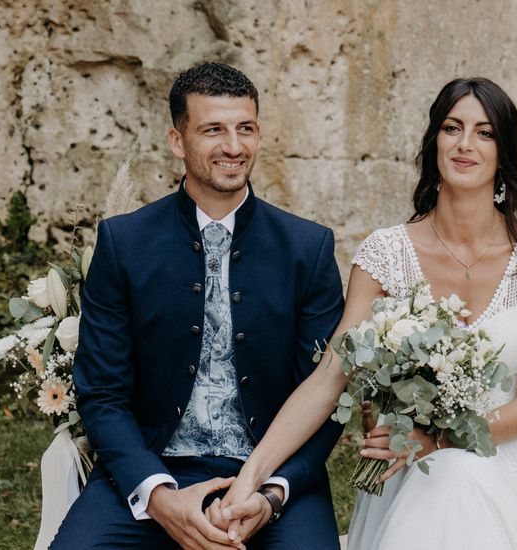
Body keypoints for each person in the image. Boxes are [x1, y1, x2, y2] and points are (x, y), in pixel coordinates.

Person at [215, 77, 517, 549]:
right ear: (434, 142)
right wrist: (249, 479)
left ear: (505, 151)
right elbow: (330, 377)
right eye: (452, 128)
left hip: (506, 459)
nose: (466, 144)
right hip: (411, 467)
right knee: (447, 480)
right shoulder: (386, 254)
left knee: (458, 475)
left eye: (485, 133)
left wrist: (440, 440)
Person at [51, 62, 345, 549]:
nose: (233, 146)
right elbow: (102, 392)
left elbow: (327, 396)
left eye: (245, 128)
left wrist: (270, 495)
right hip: (152, 468)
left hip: (270, 475)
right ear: (176, 139)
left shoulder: (307, 248)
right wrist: (160, 497)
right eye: (213, 130)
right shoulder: (124, 243)